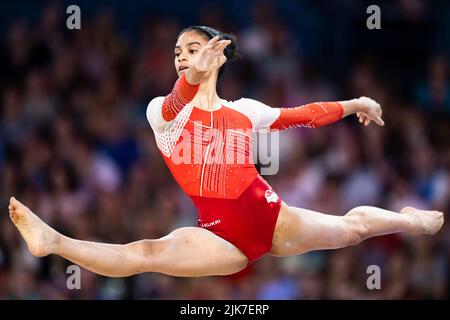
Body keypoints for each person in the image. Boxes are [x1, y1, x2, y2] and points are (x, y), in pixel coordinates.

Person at [9, 26, 444, 278]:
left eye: (193, 50)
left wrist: (357, 104)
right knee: (145, 254)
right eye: (178, 53)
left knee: (353, 230)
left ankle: (409, 220)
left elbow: (303, 115)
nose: (183, 58)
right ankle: (55, 242)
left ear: (218, 57)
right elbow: (179, 100)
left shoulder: (245, 111)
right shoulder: (163, 112)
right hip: (219, 236)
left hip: (273, 218)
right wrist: (191, 77)